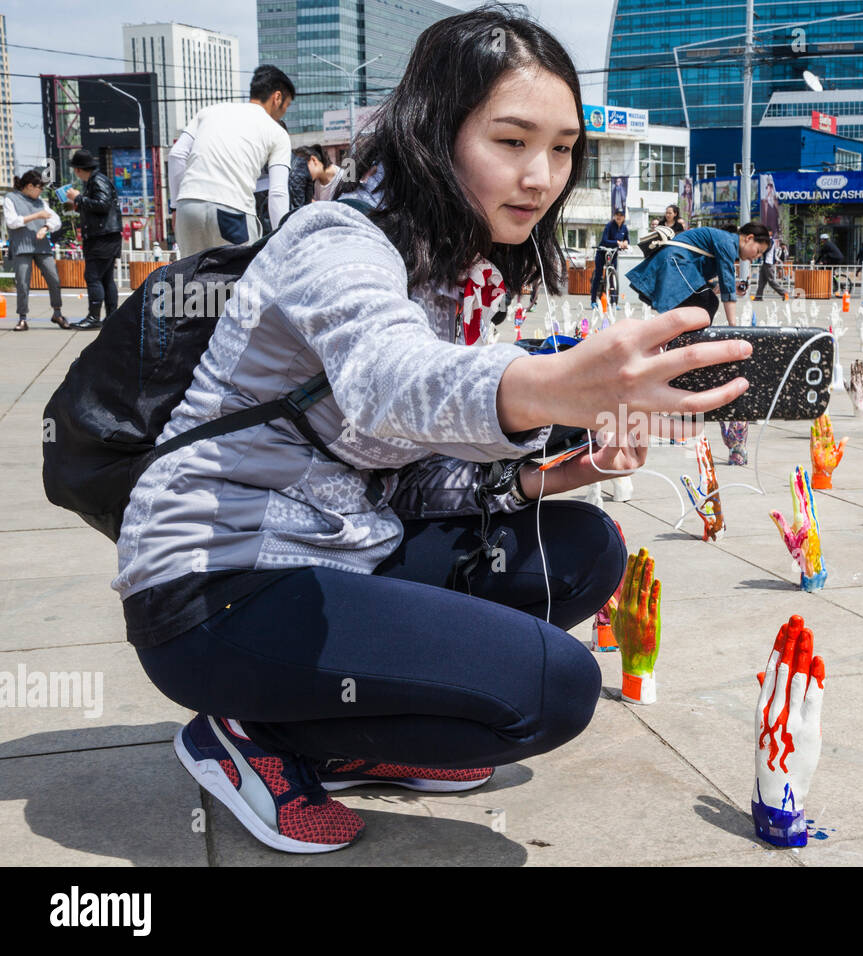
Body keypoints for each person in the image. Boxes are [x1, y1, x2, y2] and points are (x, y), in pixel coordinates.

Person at [113, 7, 752, 854]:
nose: (541, 175)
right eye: (512, 140)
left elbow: (405, 473)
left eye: (562, 148)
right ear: (434, 134)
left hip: (344, 545)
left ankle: (344, 726)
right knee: (551, 689)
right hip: (218, 582)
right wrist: (553, 382)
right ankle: (254, 732)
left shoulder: (450, 271)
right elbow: (389, 384)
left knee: (586, 549)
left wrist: (554, 473)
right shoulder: (337, 241)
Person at [168, 65, 295, 258]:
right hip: (232, 211)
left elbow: (176, 155)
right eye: (287, 105)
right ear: (277, 97)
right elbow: (277, 192)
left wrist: (176, 208)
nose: (285, 111)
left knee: (191, 281)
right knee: (237, 282)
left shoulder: (210, 111)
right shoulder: (277, 132)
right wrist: (281, 239)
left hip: (188, 206)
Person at [627, 222, 769, 325]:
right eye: (758, 251)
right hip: (674, 265)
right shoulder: (728, 243)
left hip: (675, 266)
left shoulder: (726, 242)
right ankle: (687, 344)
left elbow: (709, 278)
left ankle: (681, 342)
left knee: (705, 301)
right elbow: (727, 284)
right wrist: (734, 327)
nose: (757, 257)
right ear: (749, 238)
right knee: (707, 302)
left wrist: (716, 286)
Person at [64, 148, 123, 330]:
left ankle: (94, 317)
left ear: (79, 169)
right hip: (105, 236)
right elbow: (100, 207)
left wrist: (79, 198)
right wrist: (79, 205)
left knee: (93, 276)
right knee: (106, 279)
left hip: (102, 238)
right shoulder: (96, 181)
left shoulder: (97, 181)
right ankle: (112, 317)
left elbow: (103, 205)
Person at [3, 169, 69, 330]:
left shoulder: (41, 202)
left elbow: (56, 220)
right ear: (30, 186)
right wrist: (36, 217)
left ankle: (57, 313)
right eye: (39, 188)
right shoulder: (11, 199)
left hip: (42, 247)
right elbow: (11, 222)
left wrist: (46, 227)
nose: (41, 191)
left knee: (54, 278)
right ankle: (22, 318)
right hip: (21, 248)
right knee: (23, 283)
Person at [590, 208, 628, 307]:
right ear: (614, 216)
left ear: (624, 217)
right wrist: (617, 242)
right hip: (602, 252)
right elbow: (605, 240)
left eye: (621, 215)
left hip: (613, 254)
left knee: (612, 278)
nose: (619, 217)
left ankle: (614, 302)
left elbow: (626, 239)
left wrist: (626, 242)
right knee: (598, 275)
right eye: (617, 215)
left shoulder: (624, 228)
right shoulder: (609, 226)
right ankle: (593, 301)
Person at [753, 226, 788, 300]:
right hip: (765, 262)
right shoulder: (768, 240)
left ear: (770, 233)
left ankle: (784, 293)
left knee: (771, 281)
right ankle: (758, 297)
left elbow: (766, 249)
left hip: (768, 263)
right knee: (761, 281)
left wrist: (760, 251)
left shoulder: (770, 241)